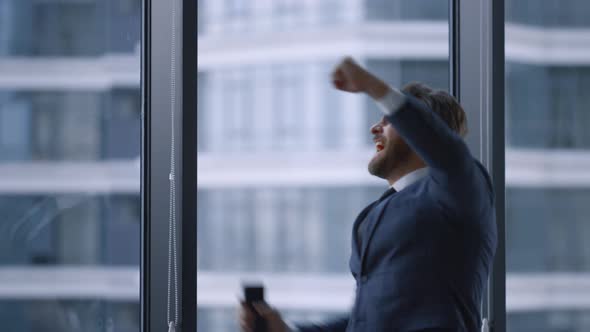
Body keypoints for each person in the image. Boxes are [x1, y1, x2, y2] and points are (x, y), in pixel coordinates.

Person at [239, 57, 497, 332]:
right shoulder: (374, 215)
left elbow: (448, 151)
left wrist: (375, 88)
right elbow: (366, 321)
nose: (375, 128)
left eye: (388, 121)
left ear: (422, 129)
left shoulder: (462, 188)